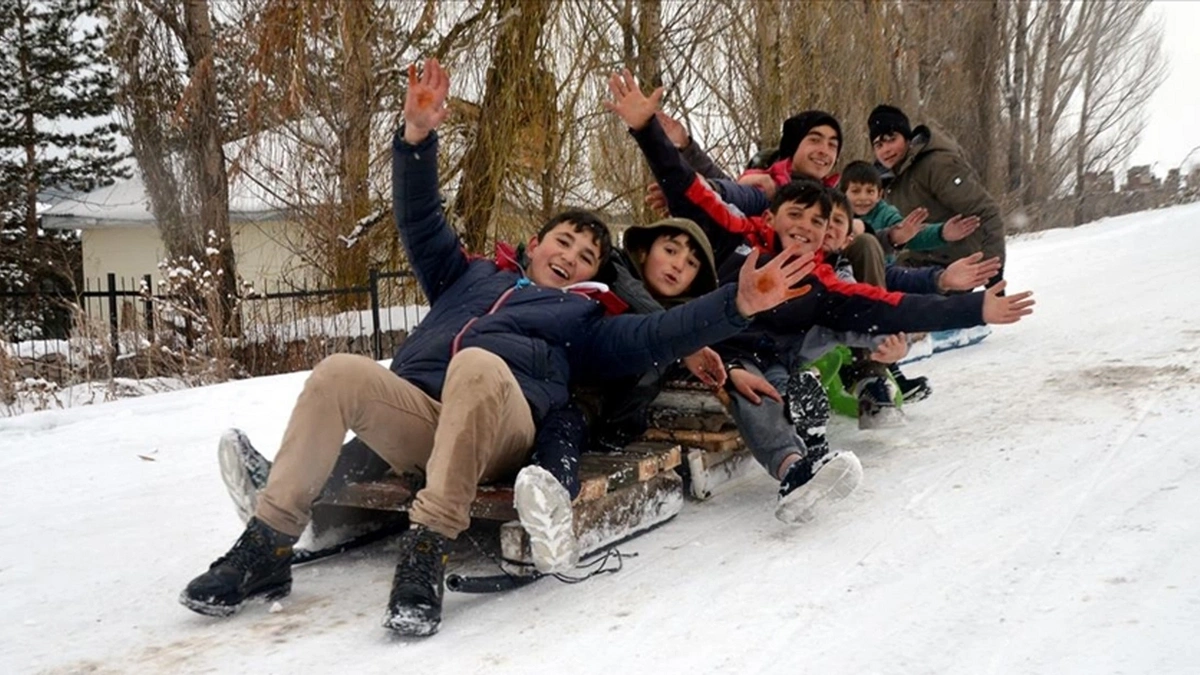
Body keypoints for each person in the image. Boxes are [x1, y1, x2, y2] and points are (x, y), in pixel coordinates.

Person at [179, 58, 816, 637]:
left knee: (479, 365)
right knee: (339, 372)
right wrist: (417, 138)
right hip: (427, 423)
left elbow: (658, 334)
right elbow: (421, 220)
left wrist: (738, 304)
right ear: (533, 246)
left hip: (502, 430)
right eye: (562, 242)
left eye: (588, 254)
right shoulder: (469, 275)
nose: (571, 256)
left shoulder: (586, 317)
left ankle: (426, 548)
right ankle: (268, 543)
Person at [605, 69, 1036, 520]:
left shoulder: (822, 277)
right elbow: (688, 187)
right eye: (796, 215)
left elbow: (889, 303)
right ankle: (794, 469)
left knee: (827, 339)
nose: (806, 228)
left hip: (781, 355)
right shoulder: (739, 234)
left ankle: (818, 424)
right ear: (771, 218)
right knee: (760, 395)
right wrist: (645, 128)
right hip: (724, 348)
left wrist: (974, 306)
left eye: (817, 222)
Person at [868, 104, 1006, 285]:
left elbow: (986, 211)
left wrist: (992, 273)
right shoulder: (884, 181)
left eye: (891, 139)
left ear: (907, 138)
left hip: (954, 264)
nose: (885, 149)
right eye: (879, 144)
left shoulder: (937, 165)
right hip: (915, 266)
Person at [838, 160, 982, 265]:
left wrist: (941, 232)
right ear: (843, 193)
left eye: (870, 191)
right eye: (856, 191)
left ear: (880, 194)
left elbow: (908, 234)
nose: (863, 198)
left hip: (881, 275)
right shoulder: (837, 214)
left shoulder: (885, 214)